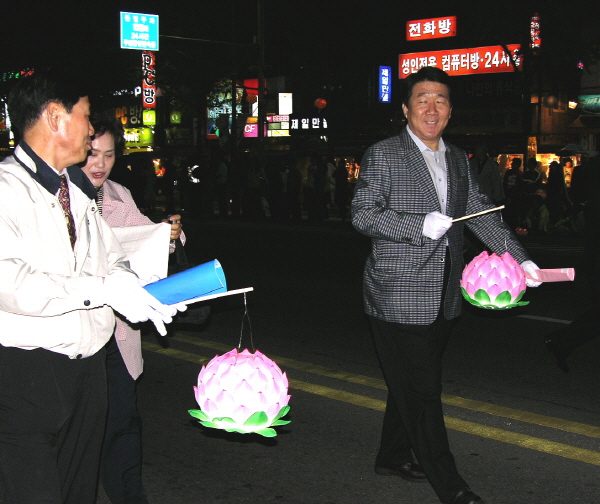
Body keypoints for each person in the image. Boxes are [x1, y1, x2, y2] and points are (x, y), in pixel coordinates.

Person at [351, 66, 542, 504]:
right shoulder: (384, 154)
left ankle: (392, 455)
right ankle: (450, 484)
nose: (431, 108)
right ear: (405, 109)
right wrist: (417, 224)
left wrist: (521, 259)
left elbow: (480, 213)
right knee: (423, 388)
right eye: (422, 99)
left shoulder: (457, 158)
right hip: (397, 294)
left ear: (451, 111)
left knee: (410, 381)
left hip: (445, 295)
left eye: (440, 100)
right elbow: (362, 214)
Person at [0, 72, 183, 504]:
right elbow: (8, 280)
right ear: (54, 117)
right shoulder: (7, 189)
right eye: (84, 116)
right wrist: (101, 289)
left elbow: (111, 260)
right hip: (27, 374)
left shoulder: (73, 191)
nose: (89, 126)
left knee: (78, 493)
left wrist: (134, 289)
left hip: (87, 374)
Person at [79, 110, 184, 504]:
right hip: (74, 330)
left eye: (109, 154)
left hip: (118, 331)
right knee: (79, 427)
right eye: (92, 154)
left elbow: (146, 239)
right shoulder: (57, 196)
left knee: (123, 422)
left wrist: (169, 232)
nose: (101, 164)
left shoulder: (119, 195)